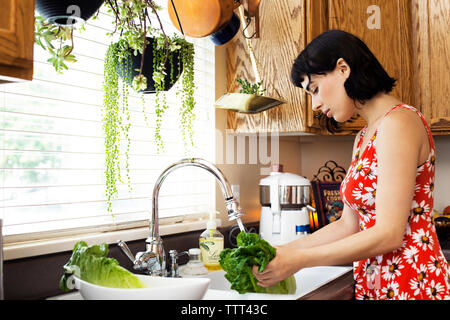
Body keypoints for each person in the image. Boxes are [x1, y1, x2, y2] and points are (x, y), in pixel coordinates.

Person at [252, 29, 450, 300]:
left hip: (412, 283)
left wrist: (300, 260)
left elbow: (389, 234)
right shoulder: (364, 136)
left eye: (315, 89)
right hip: (378, 284)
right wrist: (285, 251)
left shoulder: (399, 123)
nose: (315, 104)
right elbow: (348, 225)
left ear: (343, 68)